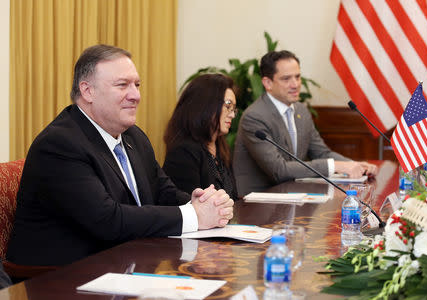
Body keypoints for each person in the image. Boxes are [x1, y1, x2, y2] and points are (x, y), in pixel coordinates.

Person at [6, 45, 234, 267]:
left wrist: (204, 204)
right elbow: (107, 220)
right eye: (122, 85)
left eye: (137, 85)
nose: (135, 95)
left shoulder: (134, 137)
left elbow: (163, 192)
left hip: (125, 263)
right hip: (60, 277)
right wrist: (193, 215)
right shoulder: (60, 144)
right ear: (87, 91)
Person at [233, 50, 377, 196]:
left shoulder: (301, 110)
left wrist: (354, 165)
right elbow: (279, 170)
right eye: (286, 79)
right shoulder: (254, 117)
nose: (295, 84)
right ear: (268, 83)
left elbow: (321, 153)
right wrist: (336, 166)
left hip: (293, 197)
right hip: (257, 206)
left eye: (297, 77)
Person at [163, 74, 238, 200]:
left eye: (234, 109)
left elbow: (232, 198)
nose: (232, 115)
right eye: (228, 106)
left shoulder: (221, 149)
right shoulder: (183, 153)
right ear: (205, 104)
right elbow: (189, 207)